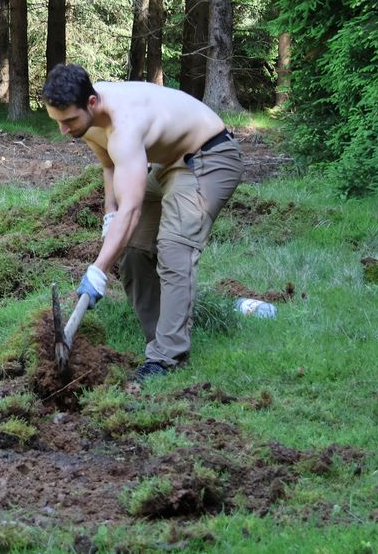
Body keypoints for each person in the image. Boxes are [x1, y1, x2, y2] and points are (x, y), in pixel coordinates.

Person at [42, 63, 243, 382]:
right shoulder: (88, 121)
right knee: (132, 249)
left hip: (210, 157)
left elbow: (132, 209)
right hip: (169, 165)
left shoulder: (126, 124)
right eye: (57, 121)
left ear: (91, 103)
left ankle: (166, 358)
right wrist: (110, 211)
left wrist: (98, 271)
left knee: (174, 247)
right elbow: (109, 164)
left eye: (68, 121)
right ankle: (161, 337)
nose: (63, 130)